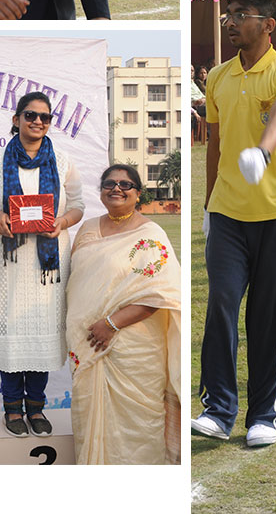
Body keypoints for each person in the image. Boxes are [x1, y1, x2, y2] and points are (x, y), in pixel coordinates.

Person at [195, 0, 276, 449]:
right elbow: (216, 147)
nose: (232, 22)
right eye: (229, 13)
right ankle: (218, 409)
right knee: (222, 302)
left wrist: (263, 151)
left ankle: (264, 413)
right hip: (227, 214)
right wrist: (206, 205)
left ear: (268, 24)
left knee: (268, 316)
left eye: (242, 14)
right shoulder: (218, 77)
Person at [0, 91, 84, 438]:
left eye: (45, 117)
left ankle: (36, 408)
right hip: (5, 261)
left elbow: (79, 205)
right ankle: (11, 408)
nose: (38, 121)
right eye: (30, 115)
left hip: (48, 264)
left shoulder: (63, 162)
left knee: (42, 330)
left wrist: (63, 222)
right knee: (9, 328)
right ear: (16, 119)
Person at [66, 165, 180, 464]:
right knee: (89, 419)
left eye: (125, 184)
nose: (117, 189)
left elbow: (160, 294)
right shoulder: (88, 229)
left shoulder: (150, 235)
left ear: (138, 193)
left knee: (137, 430)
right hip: (87, 344)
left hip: (133, 350)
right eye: (109, 183)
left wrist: (111, 324)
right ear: (101, 190)